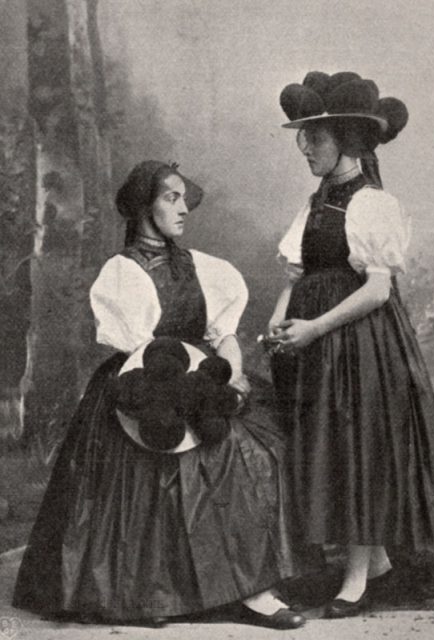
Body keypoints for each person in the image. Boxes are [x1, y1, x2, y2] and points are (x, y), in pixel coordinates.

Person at [12, 160, 311, 630]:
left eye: (183, 199)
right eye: (171, 198)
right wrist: (186, 388)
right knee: (157, 465)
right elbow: (138, 347)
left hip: (206, 375)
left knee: (259, 449)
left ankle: (257, 590)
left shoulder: (204, 267)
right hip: (147, 379)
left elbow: (223, 334)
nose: (183, 208)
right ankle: (148, 594)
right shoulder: (123, 271)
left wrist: (231, 373)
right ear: (143, 207)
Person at [267, 71, 434, 618]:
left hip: (359, 342)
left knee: (355, 448)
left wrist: (314, 328)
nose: (306, 148)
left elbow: (377, 290)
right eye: (304, 138)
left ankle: (356, 579)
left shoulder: (372, 204)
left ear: (347, 141)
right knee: (329, 446)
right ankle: (376, 565)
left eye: (316, 138)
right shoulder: (315, 204)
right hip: (315, 343)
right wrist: (279, 322)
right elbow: (295, 277)